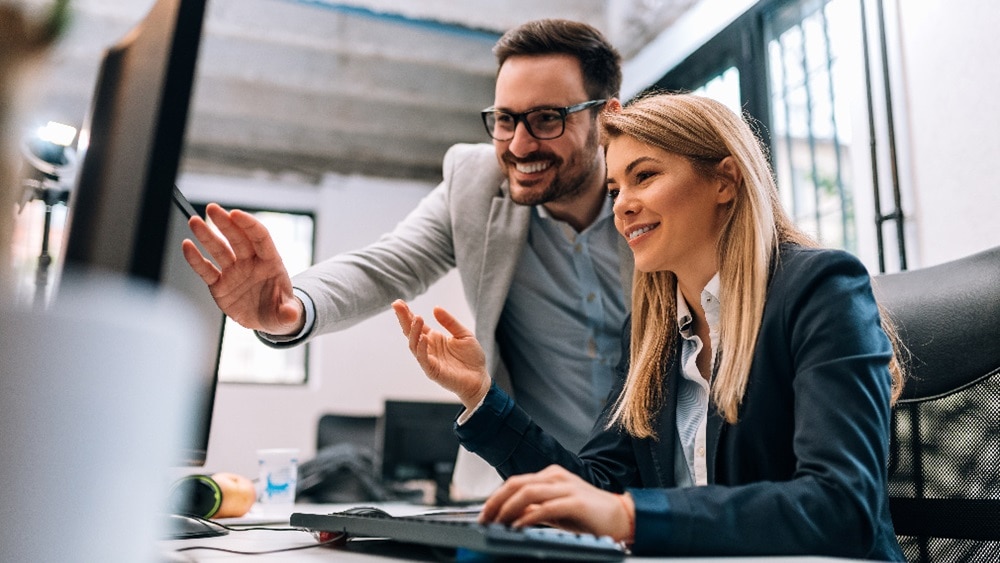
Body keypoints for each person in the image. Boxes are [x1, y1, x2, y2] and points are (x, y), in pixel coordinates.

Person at [391, 92, 907, 559]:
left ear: (725, 180)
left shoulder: (822, 289)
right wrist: (482, 396)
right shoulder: (650, 332)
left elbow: (842, 505)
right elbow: (594, 487)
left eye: (645, 176)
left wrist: (631, 517)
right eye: (616, 187)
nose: (623, 205)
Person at [181, 19, 632, 496]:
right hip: (529, 484)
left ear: (606, 117)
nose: (519, 145)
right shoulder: (476, 184)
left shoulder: (657, 196)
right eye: (504, 119)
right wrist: (293, 306)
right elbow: (387, 264)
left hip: (659, 485)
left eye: (547, 119)